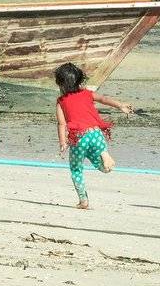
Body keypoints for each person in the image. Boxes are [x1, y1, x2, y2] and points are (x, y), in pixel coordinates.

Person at [53, 62, 133, 210]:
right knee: (104, 168)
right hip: (95, 133)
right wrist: (120, 105)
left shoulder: (61, 101)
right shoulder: (87, 93)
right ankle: (104, 153)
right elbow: (104, 99)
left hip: (78, 138)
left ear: (60, 84)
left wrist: (63, 142)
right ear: (79, 80)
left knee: (76, 169)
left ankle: (83, 200)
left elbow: (61, 124)